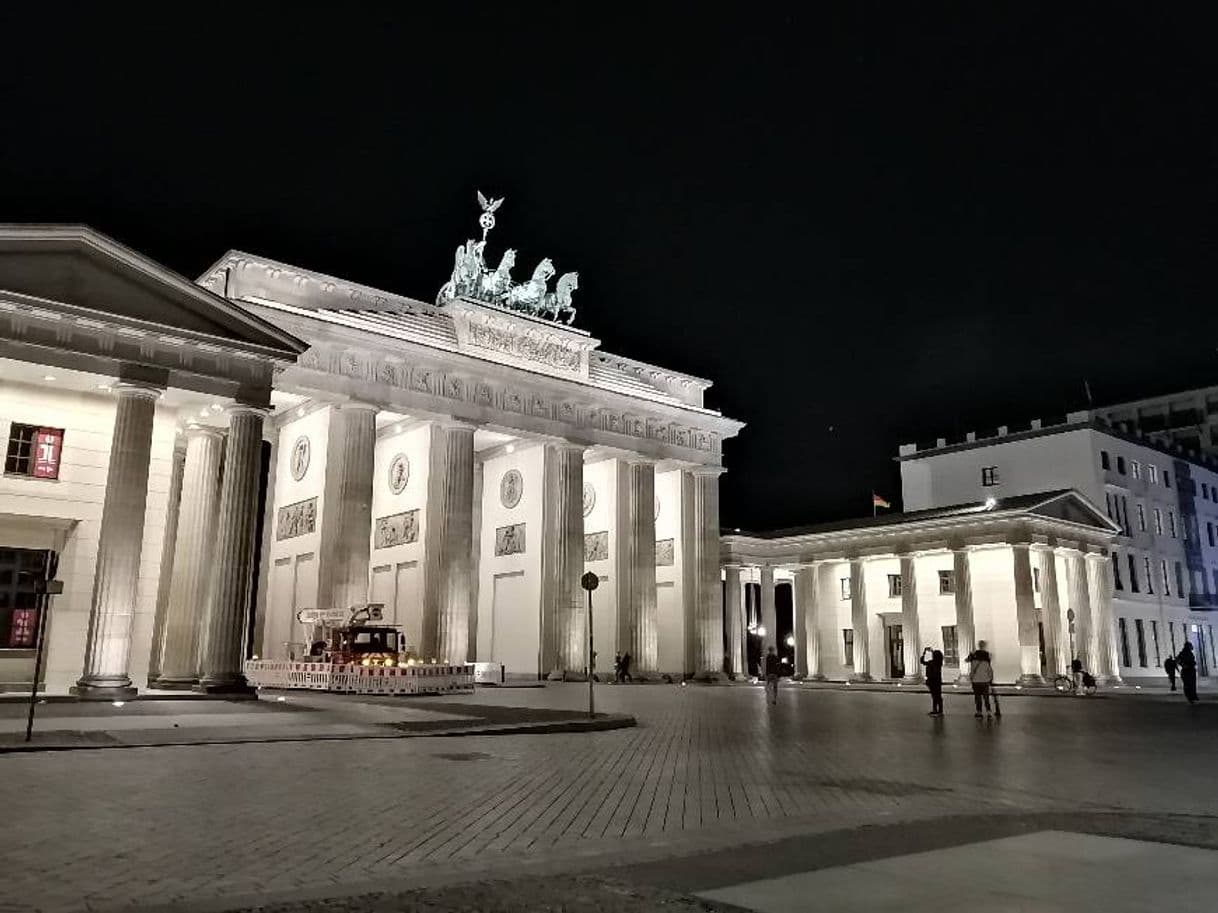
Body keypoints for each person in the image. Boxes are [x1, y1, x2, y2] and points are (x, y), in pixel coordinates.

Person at [966, 640, 995, 718]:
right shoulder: (986, 660)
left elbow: (967, 661)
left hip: (976, 681)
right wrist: (990, 679)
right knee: (986, 697)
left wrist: (970, 655)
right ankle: (989, 712)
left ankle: (979, 712)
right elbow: (990, 670)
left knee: (977, 697)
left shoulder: (973, 660)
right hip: (985, 681)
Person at [920, 646, 944, 715]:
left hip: (932, 681)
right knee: (937, 696)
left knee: (935, 696)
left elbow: (922, 661)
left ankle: (936, 710)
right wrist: (931, 651)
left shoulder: (932, 663)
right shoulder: (938, 663)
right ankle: (938, 710)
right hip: (936, 681)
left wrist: (925, 652)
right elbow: (922, 661)